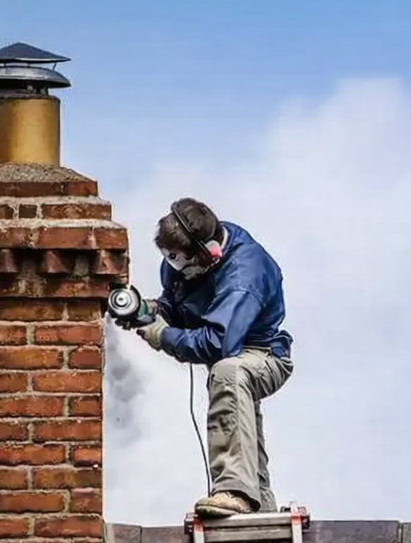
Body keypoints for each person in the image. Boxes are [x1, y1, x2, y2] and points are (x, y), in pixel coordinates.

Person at [116, 198, 293, 518]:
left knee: (228, 373)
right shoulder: (182, 262)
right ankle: (260, 501)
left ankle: (235, 491)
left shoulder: (244, 274)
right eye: (169, 260)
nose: (174, 269)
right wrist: (150, 311)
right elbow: (178, 304)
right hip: (230, 357)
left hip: (262, 354)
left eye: (180, 262)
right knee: (237, 404)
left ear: (209, 254)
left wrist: (162, 335)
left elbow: (217, 343)